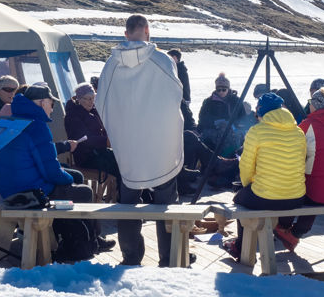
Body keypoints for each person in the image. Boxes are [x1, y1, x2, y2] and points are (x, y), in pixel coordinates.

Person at [96, 14, 187, 267]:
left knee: (128, 202)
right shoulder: (162, 60)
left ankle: (131, 255)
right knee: (165, 203)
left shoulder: (111, 65)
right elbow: (175, 97)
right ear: (147, 30)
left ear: (126, 34)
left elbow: (102, 103)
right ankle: (169, 257)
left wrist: (121, 130)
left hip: (129, 148)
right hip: (160, 144)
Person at [0, 84, 113, 253]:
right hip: (30, 193)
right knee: (84, 192)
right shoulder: (37, 126)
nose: (52, 109)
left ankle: (89, 237)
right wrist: (68, 180)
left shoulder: (13, 120)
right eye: (52, 104)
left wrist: (69, 176)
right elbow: (51, 172)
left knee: (76, 177)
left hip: (11, 188)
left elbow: (37, 158)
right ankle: (79, 244)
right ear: (42, 102)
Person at [222, 93, 305, 259]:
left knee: (239, 199)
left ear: (262, 111)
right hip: (296, 197)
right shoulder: (298, 132)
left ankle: (240, 247)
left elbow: (246, 165)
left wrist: (247, 185)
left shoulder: (256, 131)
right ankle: (282, 229)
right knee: (277, 197)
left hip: (266, 197)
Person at [274, 87, 324, 251]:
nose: (309, 104)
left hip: (318, 193)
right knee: (318, 181)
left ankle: (284, 227)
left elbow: (291, 154)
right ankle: (295, 233)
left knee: (295, 186)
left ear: (317, 105)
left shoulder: (307, 126)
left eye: (311, 102)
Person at [63, 82, 119, 180]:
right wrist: (105, 141)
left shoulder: (92, 111)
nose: (91, 101)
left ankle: (127, 186)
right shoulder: (72, 116)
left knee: (122, 159)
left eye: (93, 98)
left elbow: (103, 129)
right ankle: (123, 188)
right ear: (79, 99)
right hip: (85, 157)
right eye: (88, 99)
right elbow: (85, 139)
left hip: (98, 152)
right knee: (118, 165)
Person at [198, 73, 246, 150]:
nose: (221, 92)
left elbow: (243, 117)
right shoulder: (208, 102)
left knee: (233, 136)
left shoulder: (236, 101)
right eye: (218, 90)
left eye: (224, 90)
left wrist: (232, 125)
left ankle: (232, 155)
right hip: (213, 129)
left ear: (228, 89)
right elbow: (202, 119)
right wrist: (215, 123)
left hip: (233, 130)